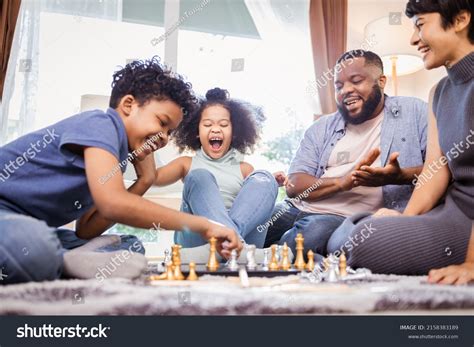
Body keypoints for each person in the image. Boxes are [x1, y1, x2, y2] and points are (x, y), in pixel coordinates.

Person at [0, 57, 241, 284]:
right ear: (128, 105)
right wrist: (203, 225)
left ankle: (62, 260)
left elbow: (86, 230)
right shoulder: (99, 124)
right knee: (34, 242)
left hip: (30, 225)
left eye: (170, 132)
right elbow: (113, 203)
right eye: (162, 122)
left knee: (129, 246)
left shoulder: (116, 157)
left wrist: (145, 181)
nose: (165, 138)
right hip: (8, 217)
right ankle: (61, 260)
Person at [330, 0, 474, 285]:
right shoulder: (439, 92)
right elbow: (435, 169)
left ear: (460, 20)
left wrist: (471, 263)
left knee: (358, 244)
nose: (413, 39)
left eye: (420, 25)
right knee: (350, 232)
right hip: (452, 210)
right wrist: (404, 221)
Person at [263, 50, 428, 258]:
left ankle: (266, 256)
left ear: (381, 81)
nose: (346, 91)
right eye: (338, 86)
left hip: (341, 217)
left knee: (312, 234)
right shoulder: (322, 127)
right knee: (255, 225)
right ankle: (253, 254)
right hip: (295, 208)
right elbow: (294, 185)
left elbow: (442, 167)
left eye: (356, 81)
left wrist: (399, 176)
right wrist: (343, 183)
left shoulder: (414, 112)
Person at [155, 88, 282, 248]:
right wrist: (142, 149)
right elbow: (152, 178)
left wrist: (271, 181)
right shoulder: (185, 164)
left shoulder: (245, 169)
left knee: (264, 177)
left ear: (234, 133)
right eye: (208, 124)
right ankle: (234, 244)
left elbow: (254, 202)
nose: (215, 129)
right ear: (196, 131)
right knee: (199, 176)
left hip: (230, 244)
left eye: (223, 124)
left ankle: (231, 243)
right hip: (199, 240)